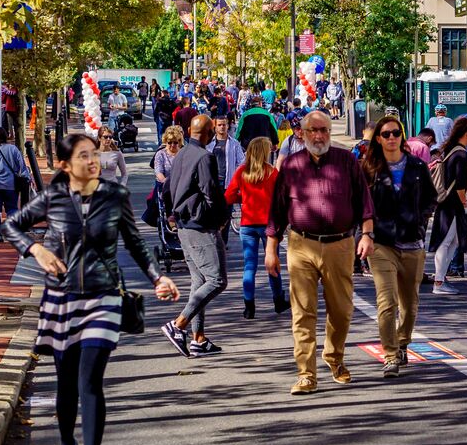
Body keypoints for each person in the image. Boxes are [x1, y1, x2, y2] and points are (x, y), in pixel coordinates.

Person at [3, 133, 180, 445]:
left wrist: (157, 276)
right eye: (84, 156)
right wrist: (36, 251)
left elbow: (133, 241)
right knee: (67, 385)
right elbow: (11, 226)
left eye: (94, 154)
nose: (93, 161)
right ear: (66, 165)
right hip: (62, 298)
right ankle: (67, 443)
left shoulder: (114, 197)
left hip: (103, 296)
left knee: (90, 382)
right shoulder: (53, 196)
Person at [265, 111, 374, 395]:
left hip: (340, 245)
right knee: (303, 312)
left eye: (324, 130)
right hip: (301, 244)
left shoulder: (346, 161)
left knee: (341, 310)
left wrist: (367, 235)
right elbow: (277, 210)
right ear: (300, 133)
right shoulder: (291, 165)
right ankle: (306, 373)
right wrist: (271, 249)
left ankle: (334, 357)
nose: (319, 136)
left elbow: (364, 200)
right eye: (313, 130)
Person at [361, 115, 437, 377]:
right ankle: (390, 355)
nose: (391, 138)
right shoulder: (370, 168)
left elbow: (431, 198)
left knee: (410, 304)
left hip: (412, 242)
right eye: (385, 134)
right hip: (382, 242)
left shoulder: (417, 166)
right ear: (378, 139)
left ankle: (403, 342)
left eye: (395, 133)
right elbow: (362, 204)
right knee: (387, 302)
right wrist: (366, 233)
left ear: (402, 136)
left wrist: (420, 219)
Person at [160, 115, 230, 359]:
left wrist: (172, 213)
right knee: (217, 280)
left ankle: (198, 339)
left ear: (190, 131)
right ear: (210, 133)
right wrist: (222, 219)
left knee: (199, 281)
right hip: (200, 226)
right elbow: (211, 192)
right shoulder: (205, 157)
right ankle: (178, 325)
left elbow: (167, 187)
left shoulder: (180, 154)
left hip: (183, 225)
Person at [225, 137, 290, 319]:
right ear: (264, 152)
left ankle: (249, 306)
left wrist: (243, 199)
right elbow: (281, 198)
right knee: (272, 263)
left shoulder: (242, 172)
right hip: (268, 225)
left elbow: (229, 196)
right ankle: (278, 300)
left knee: (249, 266)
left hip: (247, 224)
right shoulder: (272, 173)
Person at [428, 116, 467, 296]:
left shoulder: (450, 150)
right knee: (448, 241)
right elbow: (460, 184)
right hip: (453, 203)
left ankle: (441, 278)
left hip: (445, 202)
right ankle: (439, 280)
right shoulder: (461, 154)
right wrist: (464, 202)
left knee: (452, 241)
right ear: (466, 133)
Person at [0, 127, 30, 243]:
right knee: (12, 208)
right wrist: (26, 177)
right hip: (10, 184)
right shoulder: (13, 149)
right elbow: (21, 166)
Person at [207, 116, 245, 189]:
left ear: (228, 126)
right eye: (219, 125)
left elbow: (241, 162)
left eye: (224, 125)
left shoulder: (235, 144)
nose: (222, 127)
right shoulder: (209, 144)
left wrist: (234, 175)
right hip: (213, 181)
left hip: (229, 182)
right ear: (215, 127)